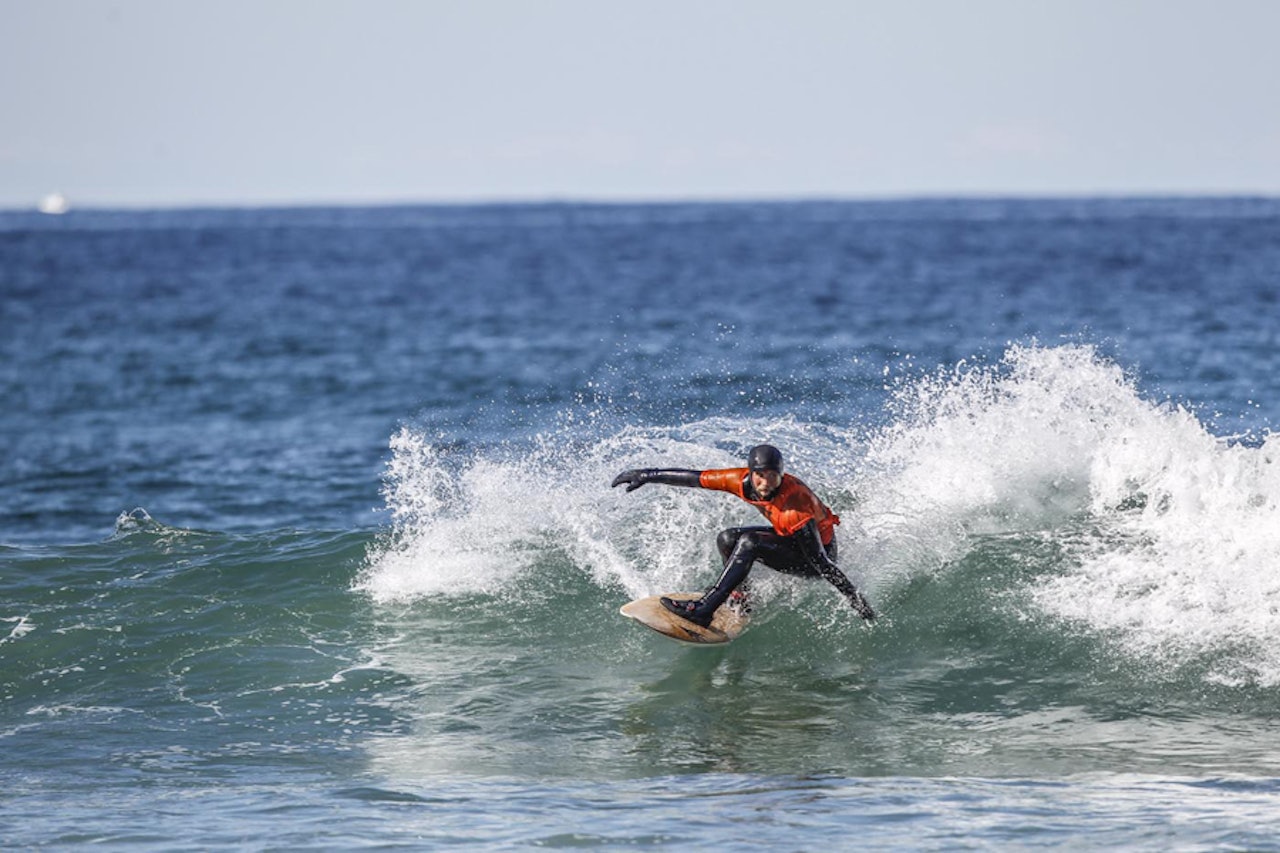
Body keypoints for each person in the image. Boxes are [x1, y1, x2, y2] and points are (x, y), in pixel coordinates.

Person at [611, 444, 875, 627]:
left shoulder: (795, 507)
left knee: (749, 543)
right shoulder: (740, 481)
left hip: (814, 556)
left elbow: (823, 565)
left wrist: (856, 600)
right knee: (727, 538)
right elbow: (696, 478)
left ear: (781, 476)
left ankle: (704, 610)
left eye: (773, 476)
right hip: (788, 537)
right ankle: (741, 597)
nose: (765, 483)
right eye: (760, 475)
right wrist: (647, 475)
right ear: (751, 473)